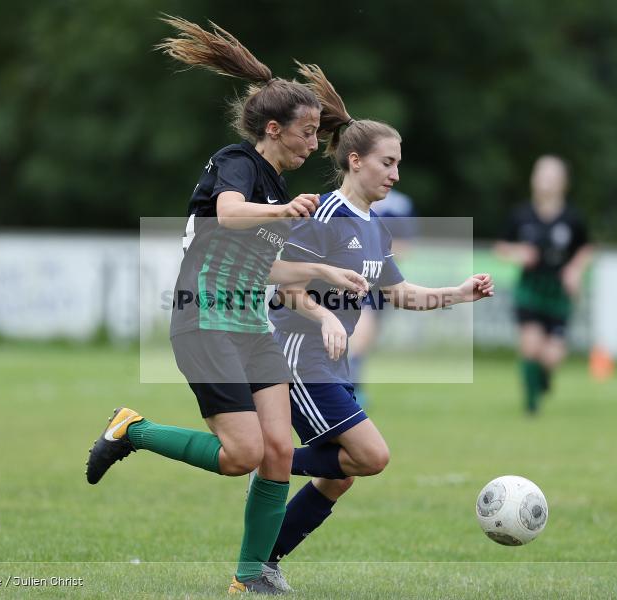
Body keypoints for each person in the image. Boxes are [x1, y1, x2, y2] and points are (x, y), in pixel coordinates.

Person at [84, 18, 367, 595]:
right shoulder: (237, 162)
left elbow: (265, 267)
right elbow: (230, 213)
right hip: (204, 317)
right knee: (241, 455)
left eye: (317, 135)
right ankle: (132, 430)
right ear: (273, 129)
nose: (314, 145)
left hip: (248, 322)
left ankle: (250, 578)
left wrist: (320, 271)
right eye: (307, 134)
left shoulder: (277, 189)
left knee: (280, 450)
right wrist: (284, 216)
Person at [259, 62, 495, 591]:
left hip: (329, 362)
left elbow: (399, 294)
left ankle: (264, 561)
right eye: (388, 163)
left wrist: (459, 293)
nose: (395, 174)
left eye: (399, 165)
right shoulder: (324, 215)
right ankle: (264, 457)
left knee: (340, 475)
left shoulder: (374, 229)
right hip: (298, 356)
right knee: (371, 456)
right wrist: (321, 316)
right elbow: (282, 285)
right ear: (356, 160)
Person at [494, 155, 593, 414]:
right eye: (540, 174)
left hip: (558, 294)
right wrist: (519, 252)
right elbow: (501, 247)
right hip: (530, 289)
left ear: (563, 183)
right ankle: (531, 405)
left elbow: (586, 249)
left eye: (551, 176)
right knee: (530, 346)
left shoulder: (572, 218)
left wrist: (574, 270)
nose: (544, 181)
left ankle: (544, 377)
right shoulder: (521, 215)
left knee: (551, 356)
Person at [346, 187, 418, 405]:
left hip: (381, 281)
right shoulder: (345, 200)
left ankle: (352, 385)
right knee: (359, 333)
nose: (392, 173)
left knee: (365, 338)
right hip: (351, 279)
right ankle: (350, 388)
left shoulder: (399, 205)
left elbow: (404, 246)